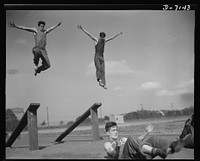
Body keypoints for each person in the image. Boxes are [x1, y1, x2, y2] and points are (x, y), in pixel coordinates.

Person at [104, 121, 184, 159]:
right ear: (107, 133)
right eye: (113, 130)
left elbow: (136, 141)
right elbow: (114, 154)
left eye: (116, 130)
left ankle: (173, 145)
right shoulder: (107, 144)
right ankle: (159, 152)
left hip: (135, 155)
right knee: (131, 138)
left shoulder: (122, 139)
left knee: (153, 139)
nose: (116, 132)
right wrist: (118, 146)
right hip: (124, 157)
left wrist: (146, 132)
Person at [77, 25, 122, 89]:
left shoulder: (104, 41)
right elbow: (89, 34)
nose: (103, 38)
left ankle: (104, 84)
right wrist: (82, 29)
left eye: (103, 37)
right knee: (98, 68)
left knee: (103, 70)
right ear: (100, 36)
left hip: (102, 56)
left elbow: (111, 38)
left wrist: (118, 34)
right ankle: (99, 80)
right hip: (97, 56)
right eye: (102, 37)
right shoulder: (96, 40)